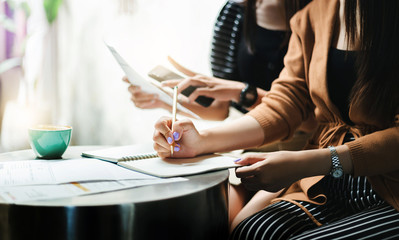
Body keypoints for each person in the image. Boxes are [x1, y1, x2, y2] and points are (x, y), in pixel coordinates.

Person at [152, 0, 399, 238]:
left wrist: (308, 163)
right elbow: (284, 102)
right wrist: (201, 141)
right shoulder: (314, 14)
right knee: (250, 231)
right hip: (329, 180)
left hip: (388, 183)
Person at [124, 0, 312, 122]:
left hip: (310, 141)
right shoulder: (235, 12)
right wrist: (162, 98)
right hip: (254, 136)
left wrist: (242, 93)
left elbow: (314, 116)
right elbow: (219, 108)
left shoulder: (321, 14)